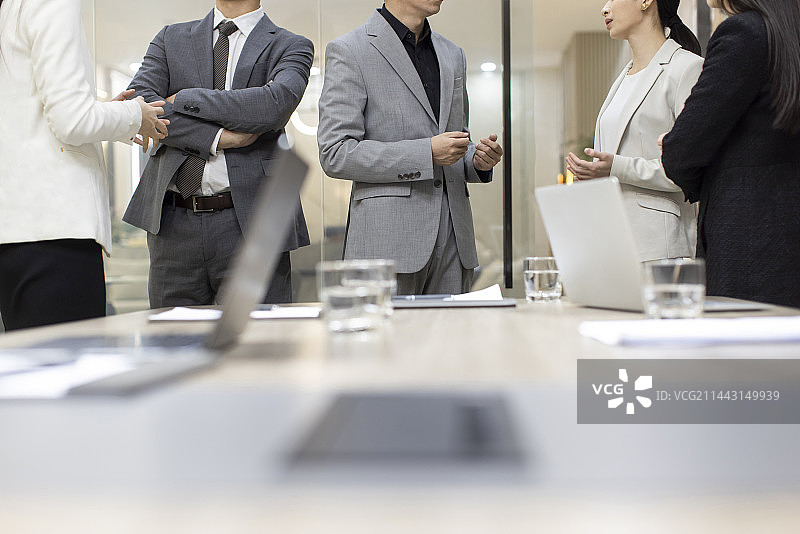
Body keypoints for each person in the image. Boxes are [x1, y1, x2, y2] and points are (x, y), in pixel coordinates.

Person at [123, 0, 313, 308]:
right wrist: (219, 137)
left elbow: (272, 107)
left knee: (255, 345)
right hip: (173, 225)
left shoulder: (290, 46)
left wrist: (183, 98)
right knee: (172, 345)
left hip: (253, 223)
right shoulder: (170, 39)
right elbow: (142, 104)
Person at [0, 0, 168, 331]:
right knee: (67, 373)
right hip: (55, 234)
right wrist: (136, 115)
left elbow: (24, 117)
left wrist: (105, 114)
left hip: (13, 234)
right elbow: (72, 121)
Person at [317, 0, 503, 296]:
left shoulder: (453, 54)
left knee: (452, 342)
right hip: (386, 242)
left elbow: (456, 138)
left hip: (456, 239)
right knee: (387, 343)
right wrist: (426, 153)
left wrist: (477, 162)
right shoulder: (350, 50)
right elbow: (335, 153)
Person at [661, 0, 800, 307]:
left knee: (741, 354)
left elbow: (682, 150)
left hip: (749, 246)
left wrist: (675, 144)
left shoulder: (744, 33)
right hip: (786, 247)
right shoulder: (788, 35)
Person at [566, 0, 703, 261]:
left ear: (646, 1)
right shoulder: (622, 78)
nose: (604, 9)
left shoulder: (687, 68)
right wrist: (595, 173)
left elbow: (689, 171)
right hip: (613, 244)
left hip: (659, 249)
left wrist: (616, 167)